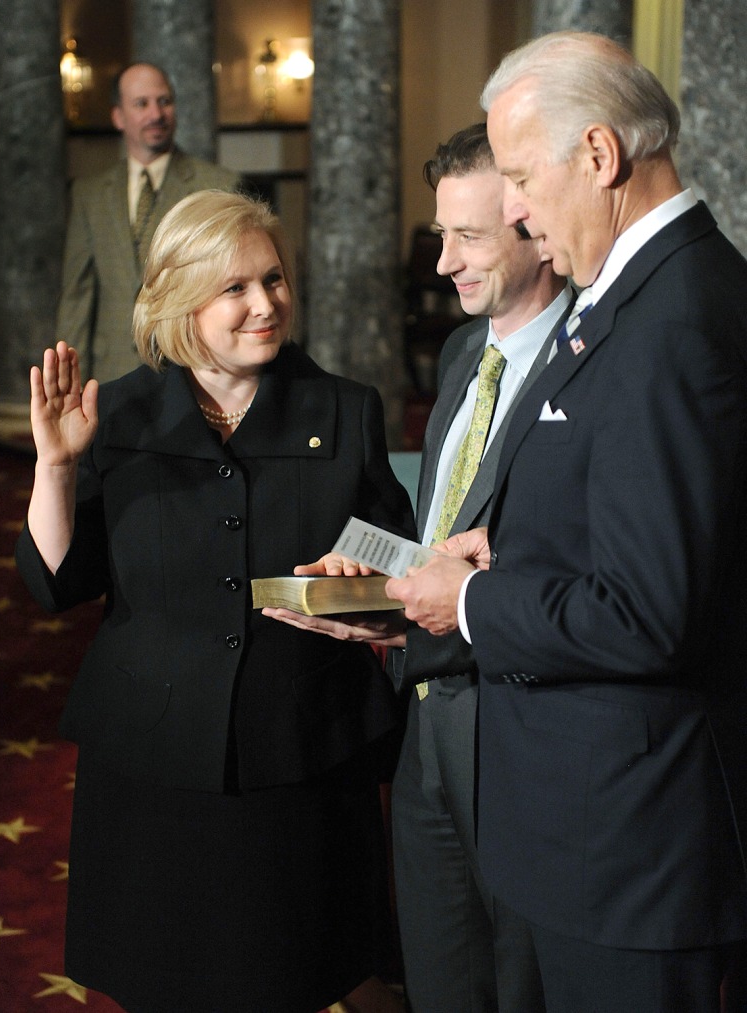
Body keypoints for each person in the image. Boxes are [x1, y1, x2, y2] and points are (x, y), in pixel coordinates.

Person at [383, 31, 747, 1013]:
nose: (508, 208)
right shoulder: (638, 296)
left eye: (516, 177)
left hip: (631, 845)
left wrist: (473, 597)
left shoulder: (668, 319)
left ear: (597, 156)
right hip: (591, 828)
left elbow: (648, 613)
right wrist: (510, 548)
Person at [16, 189, 415, 1013]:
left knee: (301, 973)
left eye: (273, 279)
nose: (263, 304)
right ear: (176, 297)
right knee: (165, 981)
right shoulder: (115, 412)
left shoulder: (345, 409)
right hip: (154, 764)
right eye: (234, 287)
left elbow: (401, 575)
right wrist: (55, 468)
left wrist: (360, 586)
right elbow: (58, 581)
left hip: (301, 757)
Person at [264, 123, 571, 1012]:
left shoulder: (592, 365)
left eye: (468, 237)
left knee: (524, 987)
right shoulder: (463, 354)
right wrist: (366, 574)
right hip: (424, 721)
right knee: (441, 982)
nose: (443, 263)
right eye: (442, 234)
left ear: (533, 227)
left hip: (521, 734)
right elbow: (442, 539)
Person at [57, 62, 241, 385]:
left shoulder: (218, 185)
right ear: (118, 117)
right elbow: (77, 297)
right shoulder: (89, 194)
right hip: (111, 373)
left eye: (164, 101)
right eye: (141, 104)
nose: (156, 114)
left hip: (192, 371)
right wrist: (72, 383)